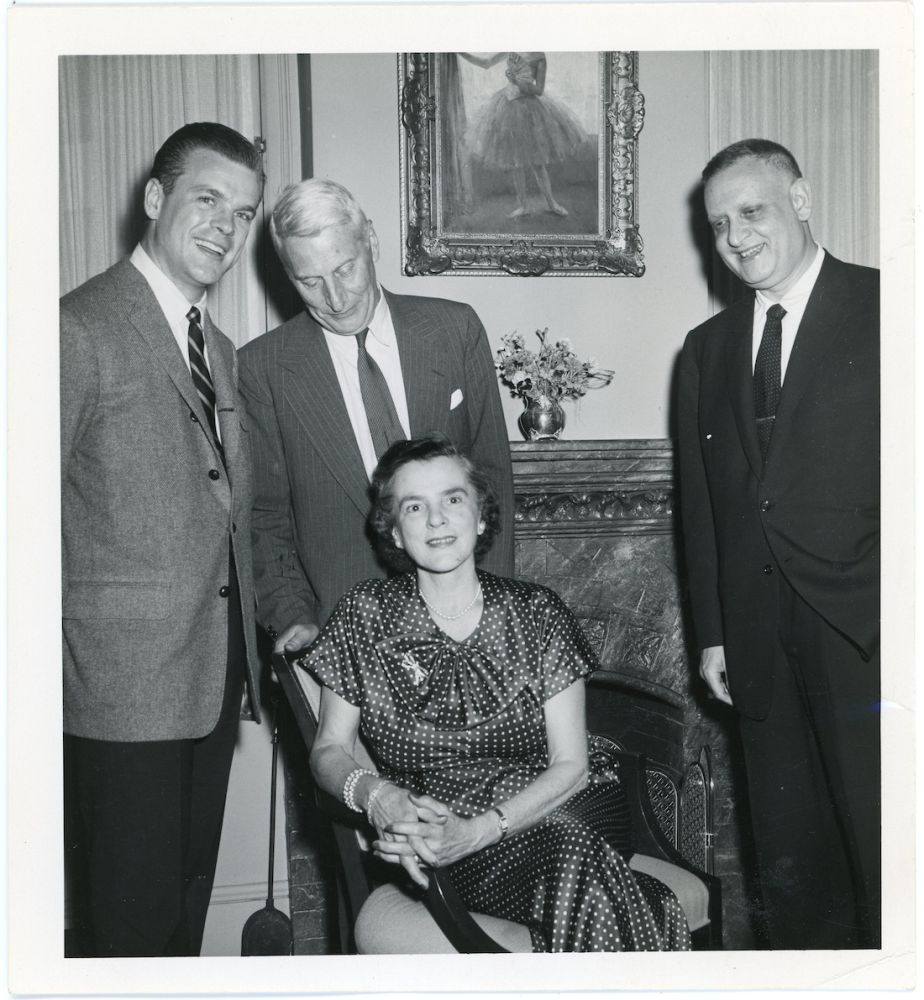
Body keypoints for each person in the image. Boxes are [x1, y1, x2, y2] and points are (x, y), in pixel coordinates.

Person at [301, 436, 691, 953]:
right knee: (621, 892)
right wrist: (377, 796)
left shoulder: (538, 612)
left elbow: (571, 764)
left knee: (570, 846)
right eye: (415, 507)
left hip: (558, 806)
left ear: (481, 517)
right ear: (394, 530)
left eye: (453, 499)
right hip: (437, 834)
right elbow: (328, 750)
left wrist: (482, 829)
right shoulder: (364, 614)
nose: (436, 519)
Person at [60, 122, 265, 956]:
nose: (226, 225)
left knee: (182, 913)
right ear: (155, 200)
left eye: (243, 212)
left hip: (209, 676)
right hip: (118, 688)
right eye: (207, 200)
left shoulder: (217, 345)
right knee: (129, 930)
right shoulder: (78, 327)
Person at [677, 139, 879, 948]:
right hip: (757, 641)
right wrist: (715, 633)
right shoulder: (706, 348)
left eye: (752, 212)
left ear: (800, 200)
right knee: (791, 867)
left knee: (885, 852)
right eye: (721, 224)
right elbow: (703, 506)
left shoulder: (893, 307)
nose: (736, 238)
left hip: (867, 630)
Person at [238, 178, 515, 660]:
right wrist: (294, 617)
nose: (336, 298)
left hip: (468, 624)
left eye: (346, 269)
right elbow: (265, 516)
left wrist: (497, 610)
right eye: (310, 281)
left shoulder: (456, 330)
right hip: (343, 636)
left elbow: (493, 482)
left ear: (371, 240)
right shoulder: (263, 369)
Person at [459, 52, 585, 219]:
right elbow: (486, 63)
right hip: (508, 107)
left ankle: (551, 203)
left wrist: (518, 81)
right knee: (515, 162)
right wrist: (460, 52)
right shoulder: (512, 48)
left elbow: (539, 90)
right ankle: (523, 206)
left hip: (530, 110)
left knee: (538, 163)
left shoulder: (539, 57)